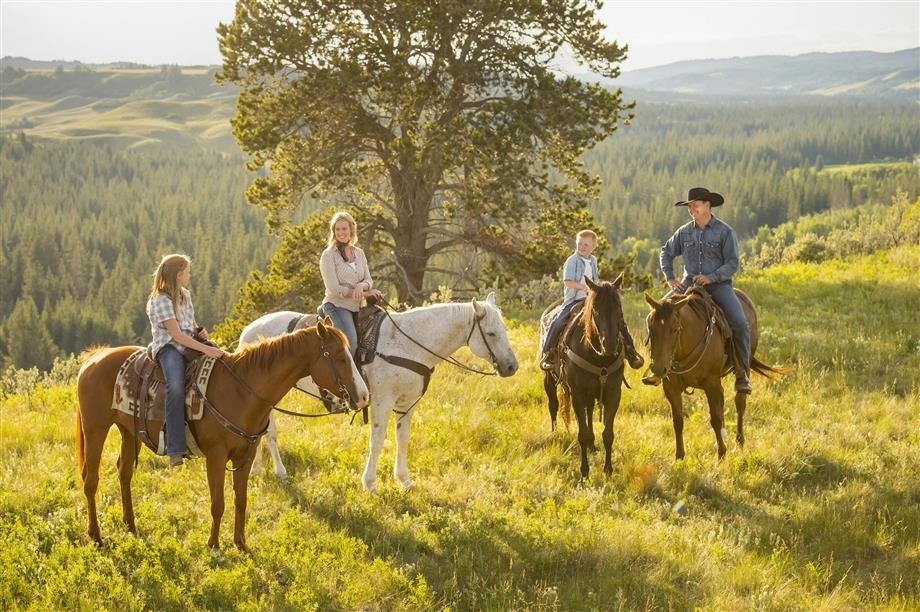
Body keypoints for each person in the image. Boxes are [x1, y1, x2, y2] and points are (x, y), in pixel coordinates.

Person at [654, 187, 752, 393]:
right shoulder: (684, 232)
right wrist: (670, 277)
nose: (691, 209)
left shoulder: (724, 232)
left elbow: (733, 263)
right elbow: (666, 251)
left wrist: (711, 277)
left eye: (695, 205)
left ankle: (742, 373)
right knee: (655, 315)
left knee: (740, 323)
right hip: (687, 284)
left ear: (707, 206)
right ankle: (657, 365)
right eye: (689, 206)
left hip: (718, 286)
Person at [147, 254, 225, 467]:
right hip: (170, 348)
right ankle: (175, 448)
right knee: (176, 387)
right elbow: (176, 335)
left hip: (189, 343)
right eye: (188, 272)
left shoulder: (185, 295)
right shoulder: (160, 300)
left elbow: (189, 324)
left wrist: (200, 332)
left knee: (223, 366)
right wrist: (204, 350)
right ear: (178, 274)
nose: (190, 275)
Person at [539, 229, 644, 371]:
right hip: (573, 300)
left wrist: (600, 291)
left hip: (592, 299)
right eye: (579, 244)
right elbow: (567, 281)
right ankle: (548, 353)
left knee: (618, 321)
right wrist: (585, 288)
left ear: (594, 247)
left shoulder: (593, 260)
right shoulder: (572, 261)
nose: (581, 247)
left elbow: (595, 279)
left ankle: (631, 351)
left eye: (585, 245)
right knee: (558, 321)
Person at [319, 211, 382, 359]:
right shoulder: (328, 255)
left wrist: (362, 286)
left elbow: (368, 279)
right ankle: (343, 380)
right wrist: (366, 293)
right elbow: (334, 289)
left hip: (357, 306)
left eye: (344, 229)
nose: (341, 233)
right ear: (333, 231)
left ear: (351, 230)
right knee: (351, 342)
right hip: (336, 305)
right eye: (337, 229)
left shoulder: (359, 253)